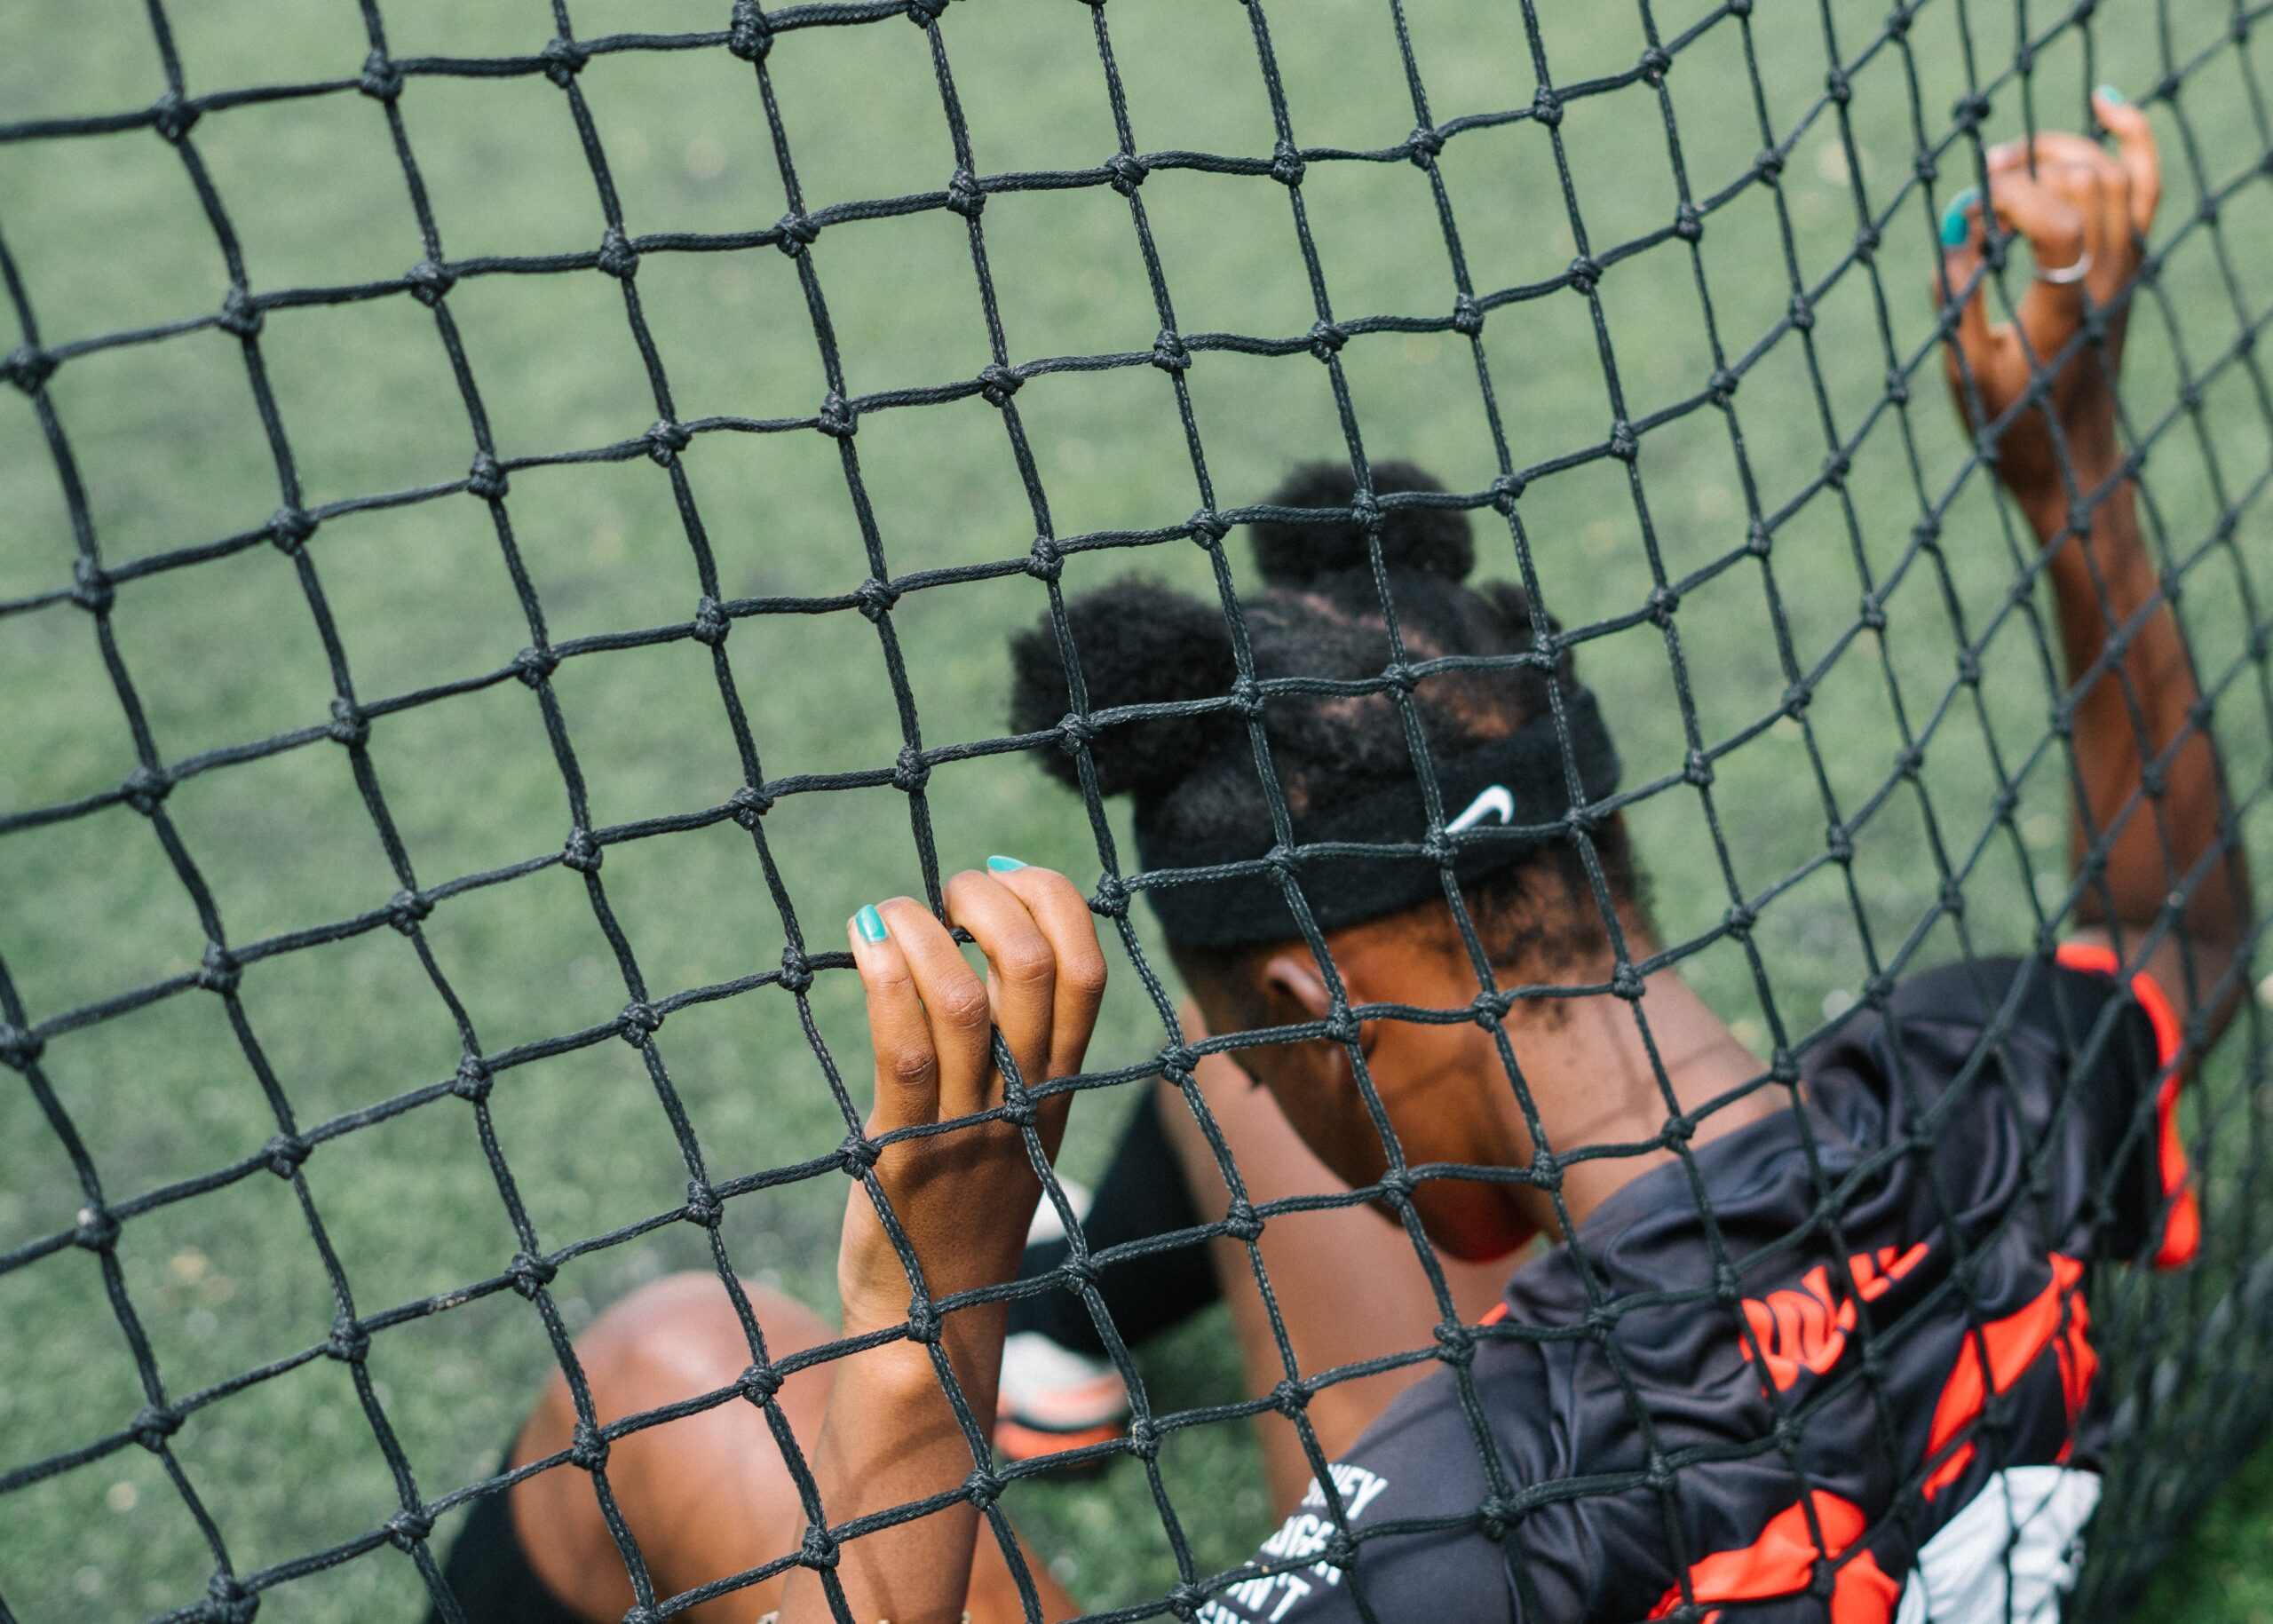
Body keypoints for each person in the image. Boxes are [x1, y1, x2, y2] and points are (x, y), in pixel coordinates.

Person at [425, 93, 2251, 1624]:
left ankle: (1021, 1330)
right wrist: (2065, 461)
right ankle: (1078, 1322)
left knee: (672, 1374)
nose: (1250, 1062)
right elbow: (2170, 928)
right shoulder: (1979, 1092)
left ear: (1305, 992)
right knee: (1265, 1135)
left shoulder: (1457, 1544)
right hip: (1781, 1446)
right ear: (1594, 859)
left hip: (1592, 1521)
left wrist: (926, 1340)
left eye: (1251, 1025)